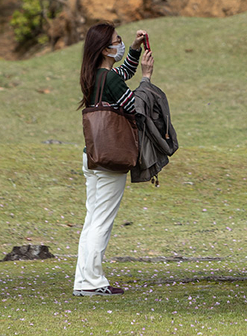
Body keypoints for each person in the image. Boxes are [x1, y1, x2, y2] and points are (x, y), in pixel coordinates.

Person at [73, 23, 153, 297]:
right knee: (101, 223)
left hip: (92, 156)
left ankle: (84, 280)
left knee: (92, 219)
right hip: (110, 159)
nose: (120, 44)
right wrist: (147, 78)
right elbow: (136, 106)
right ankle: (93, 282)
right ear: (106, 49)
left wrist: (133, 48)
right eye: (118, 41)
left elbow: (122, 74)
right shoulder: (109, 79)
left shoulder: (95, 75)